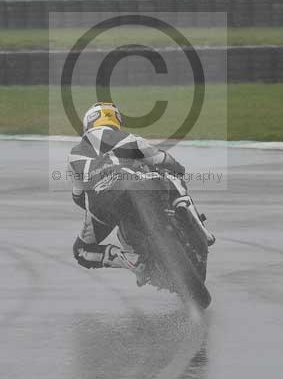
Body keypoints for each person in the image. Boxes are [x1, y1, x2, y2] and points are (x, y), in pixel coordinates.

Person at [69, 101, 214, 281]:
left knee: (81, 250)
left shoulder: (74, 154)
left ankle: (131, 260)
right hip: (139, 185)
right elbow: (162, 159)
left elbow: (78, 196)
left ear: (88, 122)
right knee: (172, 174)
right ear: (116, 119)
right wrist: (178, 168)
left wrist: (106, 212)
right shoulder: (127, 138)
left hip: (101, 203)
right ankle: (195, 222)